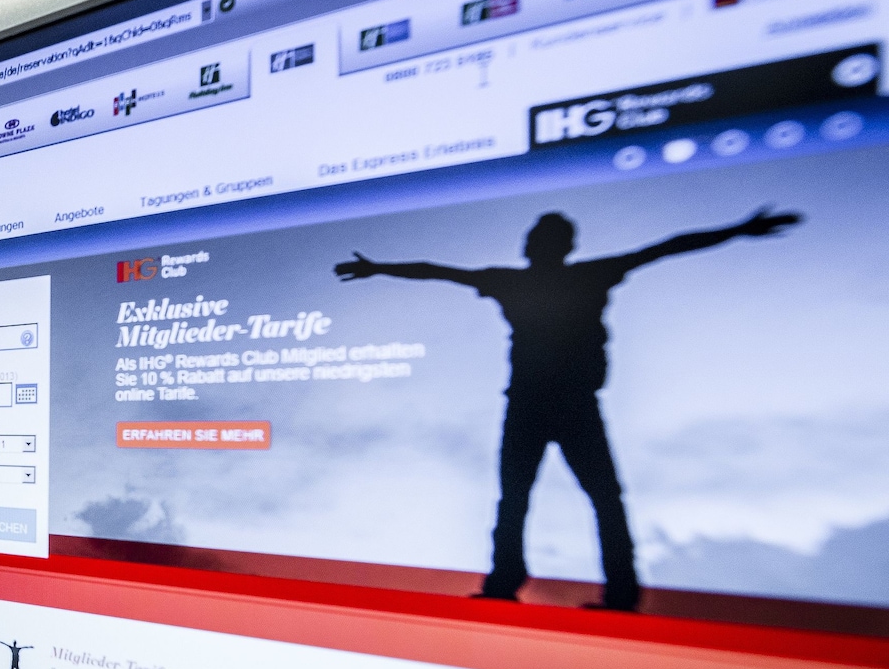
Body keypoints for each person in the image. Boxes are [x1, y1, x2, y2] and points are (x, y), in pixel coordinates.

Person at [334, 206, 801, 609]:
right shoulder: (544, 279)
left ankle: (583, 588)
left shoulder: (551, 279)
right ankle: (541, 584)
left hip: (560, 404)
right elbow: (438, 271)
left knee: (568, 498)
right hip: (541, 404)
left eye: (538, 239)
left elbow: (666, 247)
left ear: (552, 246)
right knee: (552, 497)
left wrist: (737, 230)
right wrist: (379, 268)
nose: (531, 245)